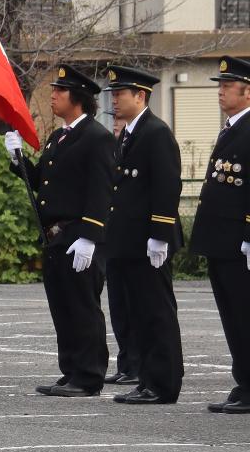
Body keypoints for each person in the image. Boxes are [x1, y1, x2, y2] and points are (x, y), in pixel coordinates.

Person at [5, 65, 114, 398]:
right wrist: (17, 157)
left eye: (59, 91)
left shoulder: (97, 137)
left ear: (78, 98)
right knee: (63, 307)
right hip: (55, 236)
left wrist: (90, 236)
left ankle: (89, 374)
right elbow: (41, 182)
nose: (52, 96)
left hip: (77, 234)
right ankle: (71, 371)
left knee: (82, 307)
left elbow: (101, 189)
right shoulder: (59, 136)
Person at [101, 65, 183, 405]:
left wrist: (160, 233)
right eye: (114, 93)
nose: (115, 99)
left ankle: (163, 382)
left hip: (148, 241)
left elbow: (167, 184)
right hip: (127, 241)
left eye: (121, 94)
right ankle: (148, 379)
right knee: (136, 313)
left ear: (141, 96)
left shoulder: (155, 132)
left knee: (155, 312)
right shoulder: (130, 133)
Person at [189, 55, 250, 414]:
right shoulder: (231, 127)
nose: (221, 91)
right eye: (221, 86)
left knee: (244, 313)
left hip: (238, 242)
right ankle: (243, 380)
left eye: (228, 86)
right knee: (231, 314)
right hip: (221, 241)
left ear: (247, 91)